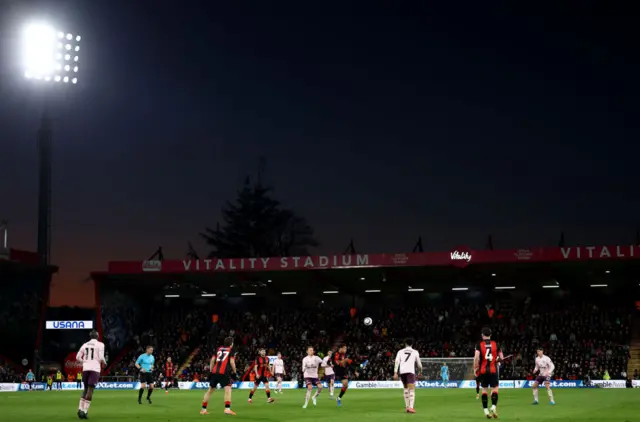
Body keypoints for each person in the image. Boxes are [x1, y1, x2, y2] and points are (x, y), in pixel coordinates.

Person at [200, 337, 237, 416]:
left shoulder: (218, 349)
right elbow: (232, 362)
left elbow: (212, 360)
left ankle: (203, 409)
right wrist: (235, 372)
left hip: (214, 372)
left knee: (210, 391)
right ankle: (227, 409)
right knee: (228, 389)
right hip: (224, 372)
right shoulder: (231, 350)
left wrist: (210, 371)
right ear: (231, 343)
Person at [76, 329, 107, 420]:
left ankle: (80, 409)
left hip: (86, 369)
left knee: (85, 389)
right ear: (98, 337)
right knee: (90, 390)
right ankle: (85, 412)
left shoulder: (84, 345)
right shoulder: (100, 344)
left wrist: (84, 361)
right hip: (95, 369)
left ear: (90, 337)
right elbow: (101, 357)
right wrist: (104, 362)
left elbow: (77, 357)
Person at [474, 327, 503, 419]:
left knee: (484, 390)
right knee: (495, 389)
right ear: (490, 335)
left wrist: (476, 368)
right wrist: (497, 360)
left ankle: (486, 410)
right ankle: (493, 407)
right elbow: (501, 357)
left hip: (483, 370)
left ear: (482, 335)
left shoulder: (479, 344)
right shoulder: (496, 344)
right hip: (493, 370)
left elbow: (476, 357)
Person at [393, 337, 422, 414]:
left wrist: (395, 372)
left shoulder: (400, 351)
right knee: (412, 390)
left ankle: (407, 407)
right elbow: (419, 364)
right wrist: (420, 371)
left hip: (402, 372)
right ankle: (411, 408)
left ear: (405, 343)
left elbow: (396, 361)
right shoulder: (415, 352)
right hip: (410, 372)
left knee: (406, 389)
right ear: (412, 344)